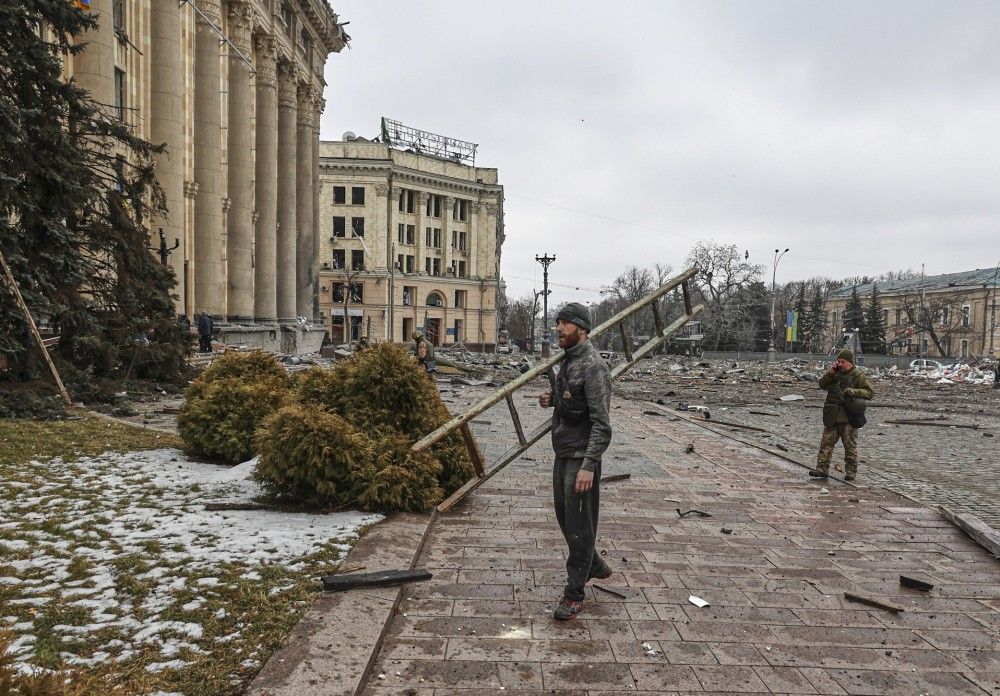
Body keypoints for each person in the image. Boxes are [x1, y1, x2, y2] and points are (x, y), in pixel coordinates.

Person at [538, 302, 613, 620]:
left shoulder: (594, 366)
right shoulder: (569, 362)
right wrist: (553, 399)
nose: (558, 328)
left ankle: (574, 594)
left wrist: (589, 465)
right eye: (557, 322)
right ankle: (593, 563)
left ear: (580, 329)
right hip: (563, 452)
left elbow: (601, 424)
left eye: (564, 323)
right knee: (566, 520)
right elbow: (574, 401)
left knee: (580, 526)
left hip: (581, 457)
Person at [810, 348, 873, 481]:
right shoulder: (834, 374)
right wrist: (830, 374)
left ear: (849, 362)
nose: (839, 364)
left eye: (842, 361)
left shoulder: (858, 376)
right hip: (832, 415)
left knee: (849, 446)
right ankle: (822, 469)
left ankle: (851, 471)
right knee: (826, 443)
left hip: (848, 417)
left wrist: (854, 392)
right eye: (838, 361)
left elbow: (869, 393)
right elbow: (822, 385)